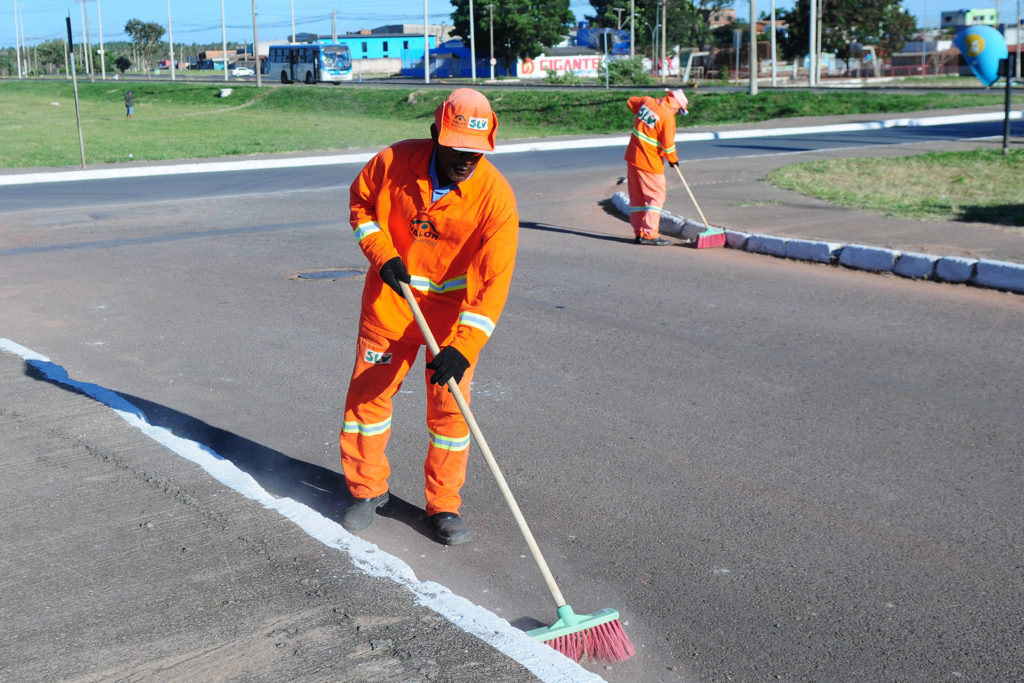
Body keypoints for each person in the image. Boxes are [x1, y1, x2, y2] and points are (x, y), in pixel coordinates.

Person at [340, 88, 519, 546]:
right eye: (457, 148)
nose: (465, 160)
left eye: (475, 153)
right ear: (436, 132)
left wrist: (465, 346)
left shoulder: (495, 198)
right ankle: (366, 491)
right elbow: (361, 208)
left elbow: (493, 282)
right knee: (369, 401)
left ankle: (443, 506)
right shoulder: (393, 163)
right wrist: (382, 253)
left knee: (450, 417)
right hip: (390, 302)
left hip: (449, 322)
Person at [624, 88, 689, 246]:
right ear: (676, 106)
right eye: (679, 112)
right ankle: (650, 234)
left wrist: (644, 118)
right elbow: (668, 146)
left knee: (638, 198)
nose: (678, 115)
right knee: (656, 197)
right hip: (649, 162)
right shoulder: (667, 118)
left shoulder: (648, 102)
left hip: (633, 158)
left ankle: (639, 232)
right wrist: (673, 160)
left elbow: (630, 102)